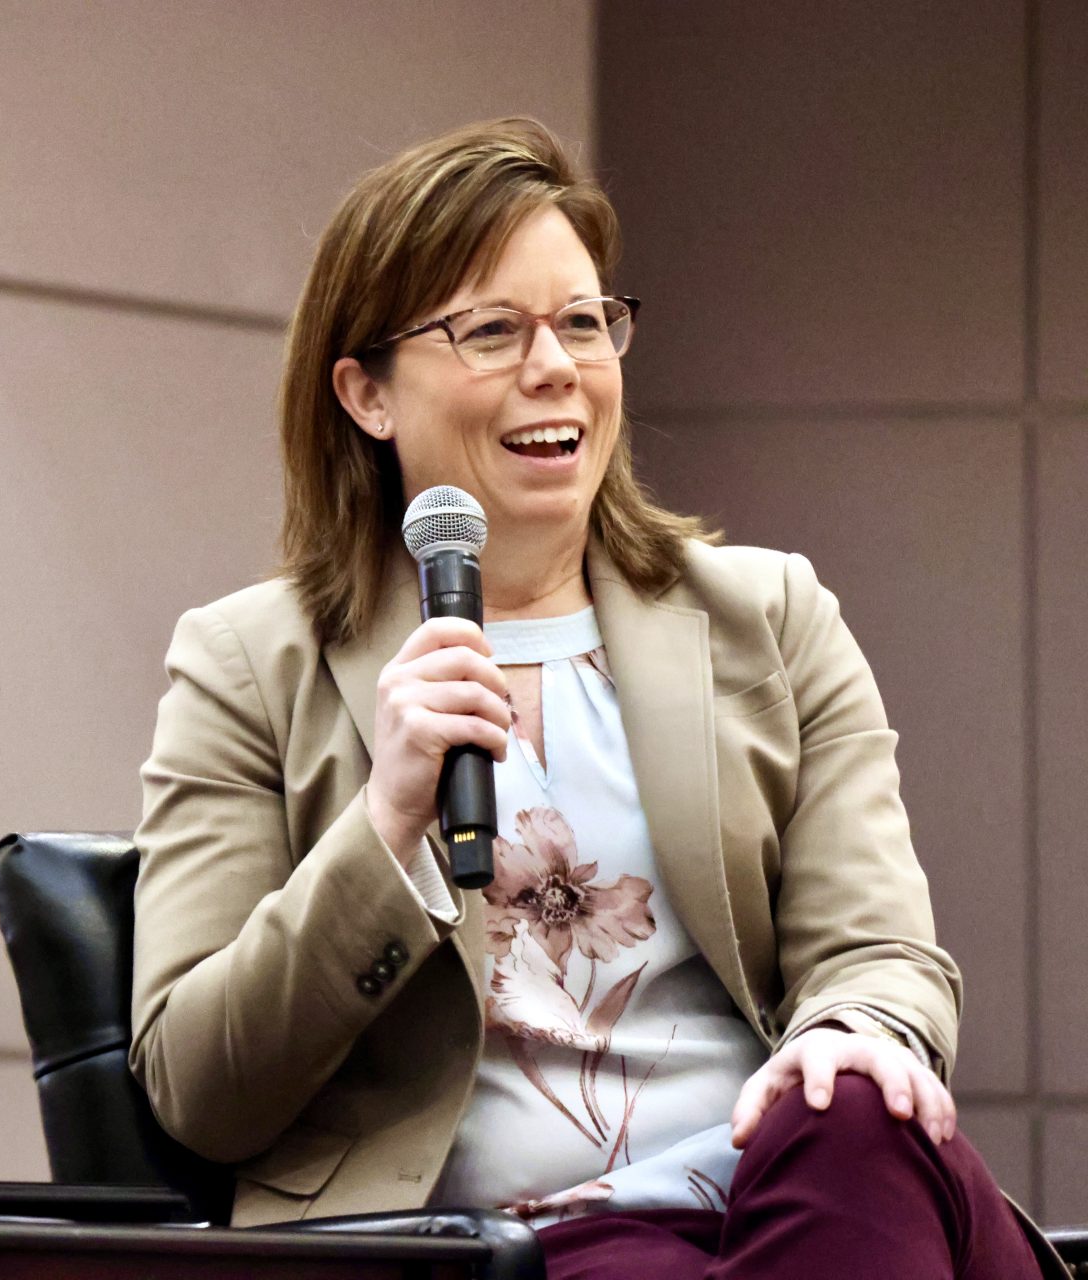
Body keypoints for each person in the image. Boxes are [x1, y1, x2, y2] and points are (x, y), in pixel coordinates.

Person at [127, 117, 1062, 1278]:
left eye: (583, 320)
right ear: (366, 393)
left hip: (801, 1185)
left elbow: (880, 952)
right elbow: (197, 1088)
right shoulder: (247, 663)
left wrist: (849, 1033)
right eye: (492, 330)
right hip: (534, 1242)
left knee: (860, 1107)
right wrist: (385, 828)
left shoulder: (769, 617)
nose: (556, 364)